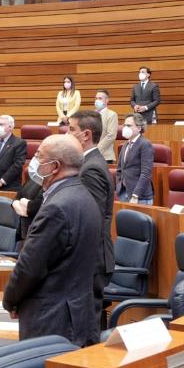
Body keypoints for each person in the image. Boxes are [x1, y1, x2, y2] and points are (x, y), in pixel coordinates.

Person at [2, 134, 102, 347]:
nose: (33, 162)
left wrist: (9, 300)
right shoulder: (84, 196)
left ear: (55, 166)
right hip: (78, 313)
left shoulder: (57, 207)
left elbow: (30, 266)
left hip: (52, 321)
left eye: (39, 156)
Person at [69, 111, 116, 308]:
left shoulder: (91, 169)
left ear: (86, 135)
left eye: (72, 129)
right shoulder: (88, 163)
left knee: (88, 328)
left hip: (91, 259)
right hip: (89, 258)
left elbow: (91, 218)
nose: (67, 134)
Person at [115, 113, 153, 204]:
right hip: (124, 193)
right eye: (124, 125)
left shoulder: (145, 144)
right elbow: (120, 169)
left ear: (139, 128)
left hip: (140, 198)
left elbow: (146, 173)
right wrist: (119, 186)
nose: (125, 128)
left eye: (129, 125)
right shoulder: (125, 144)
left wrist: (136, 195)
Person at [0, 115, 26, 191]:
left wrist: (1, 182)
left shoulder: (19, 143)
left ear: (10, 127)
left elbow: (17, 166)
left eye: (1, 124)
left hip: (9, 187)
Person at [95, 90, 119, 162]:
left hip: (105, 157)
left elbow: (111, 135)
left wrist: (96, 150)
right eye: (96, 98)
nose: (97, 100)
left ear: (107, 100)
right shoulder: (91, 114)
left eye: (100, 98)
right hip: (90, 157)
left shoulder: (111, 115)